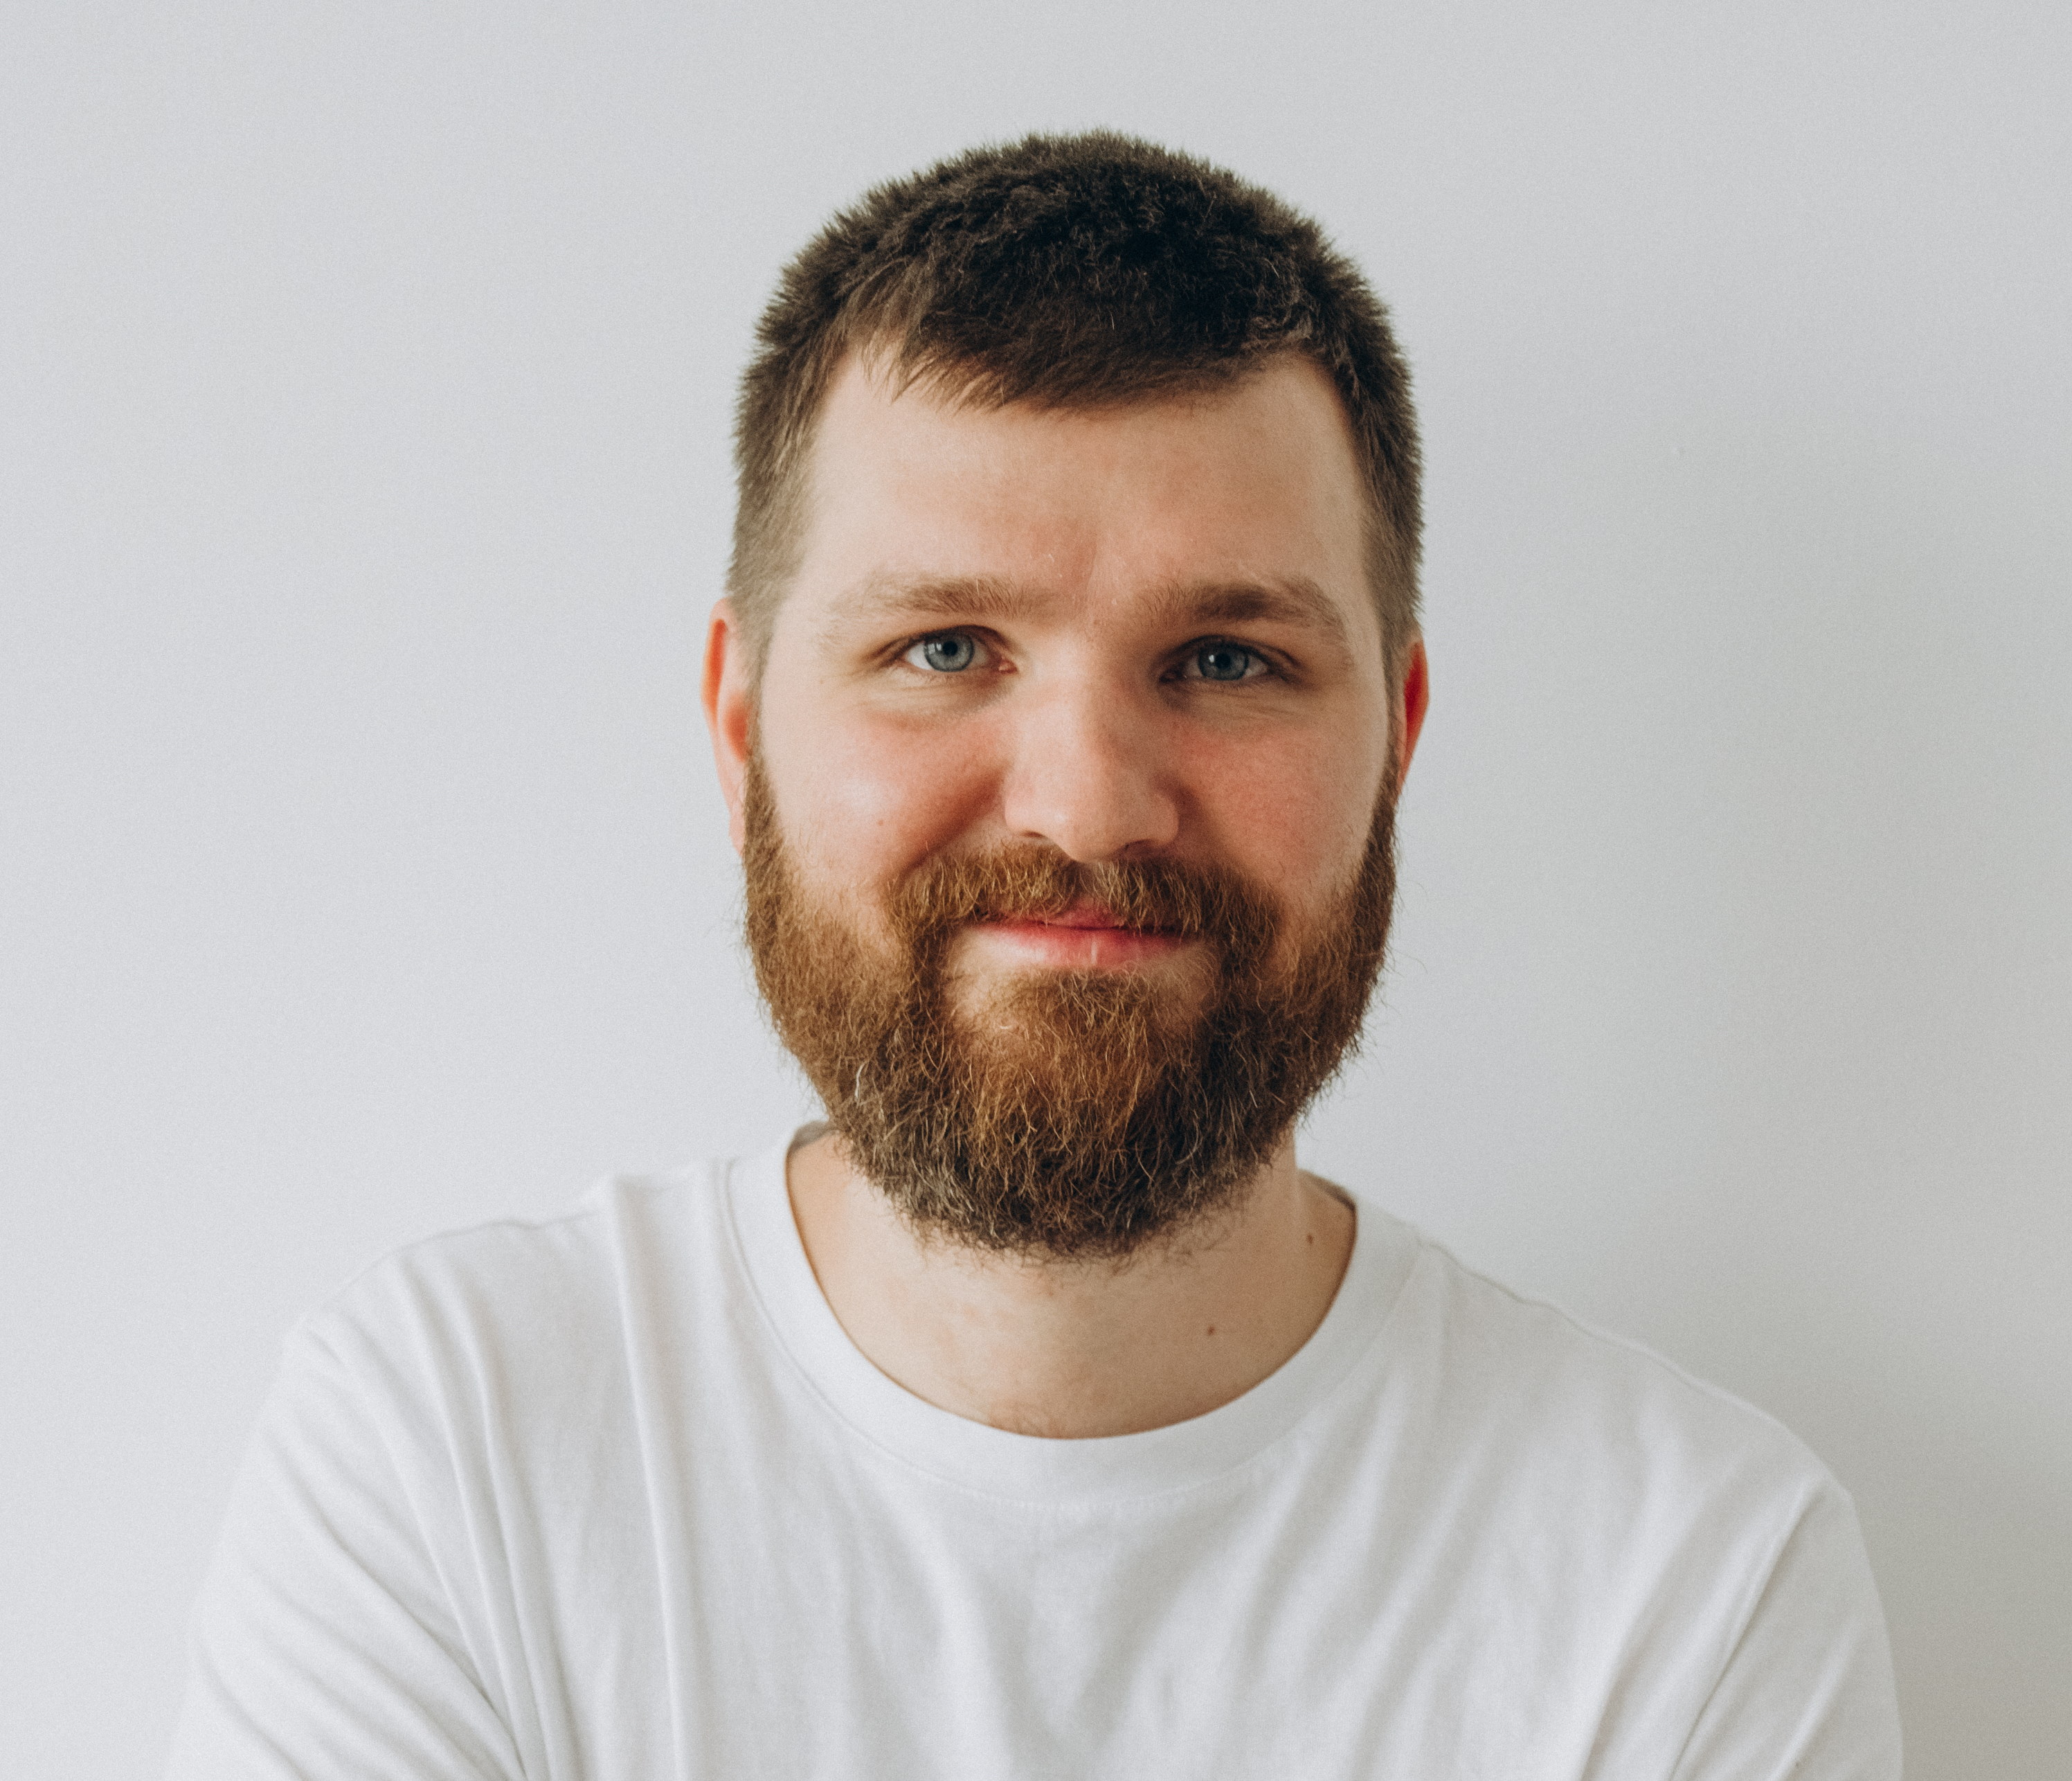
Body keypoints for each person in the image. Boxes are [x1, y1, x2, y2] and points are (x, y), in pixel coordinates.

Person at [168, 132, 1902, 1778]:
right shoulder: (448, 1442)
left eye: (1225, 659)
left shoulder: (1690, 1578)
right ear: (741, 723)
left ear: (1397, 733)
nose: (1085, 807)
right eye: (946, 645)